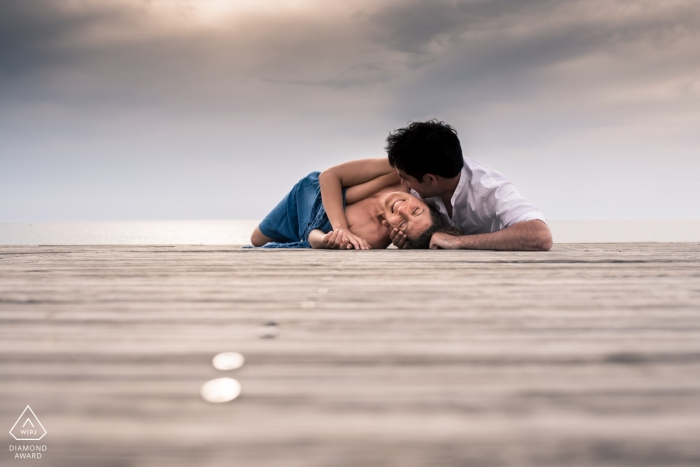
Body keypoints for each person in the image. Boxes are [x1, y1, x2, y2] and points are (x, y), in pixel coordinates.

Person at [383, 120, 552, 250]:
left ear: (430, 180)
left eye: (405, 178)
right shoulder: (420, 169)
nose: (402, 183)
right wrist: (411, 242)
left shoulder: (489, 188)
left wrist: (458, 242)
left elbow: (541, 235)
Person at [249, 160, 459, 249]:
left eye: (403, 224)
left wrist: (327, 239)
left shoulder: (372, 238)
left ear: (397, 233)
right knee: (257, 238)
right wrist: (340, 227)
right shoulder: (399, 176)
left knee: (258, 244)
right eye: (416, 210)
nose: (402, 209)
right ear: (424, 201)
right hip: (308, 192)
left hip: (310, 225)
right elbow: (329, 178)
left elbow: (315, 237)